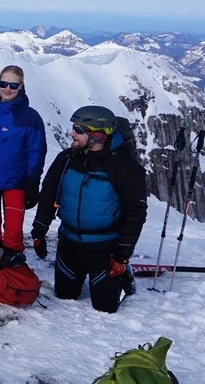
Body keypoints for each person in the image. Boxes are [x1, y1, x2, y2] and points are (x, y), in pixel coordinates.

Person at [30, 106, 148, 313]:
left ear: (98, 135)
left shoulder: (125, 167)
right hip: (69, 244)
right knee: (64, 296)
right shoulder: (67, 159)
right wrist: (39, 230)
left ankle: (124, 275)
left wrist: (122, 255)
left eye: (79, 130)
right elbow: (48, 193)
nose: (71, 133)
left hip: (104, 248)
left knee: (105, 308)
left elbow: (135, 212)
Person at [0, 65, 47, 262]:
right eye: (3, 83)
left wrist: (33, 181)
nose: (7, 88)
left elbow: (36, 150)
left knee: (13, 230)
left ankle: (12, 261)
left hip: (17, 181)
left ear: (21, 86)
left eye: (13, 85)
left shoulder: (30, 117)